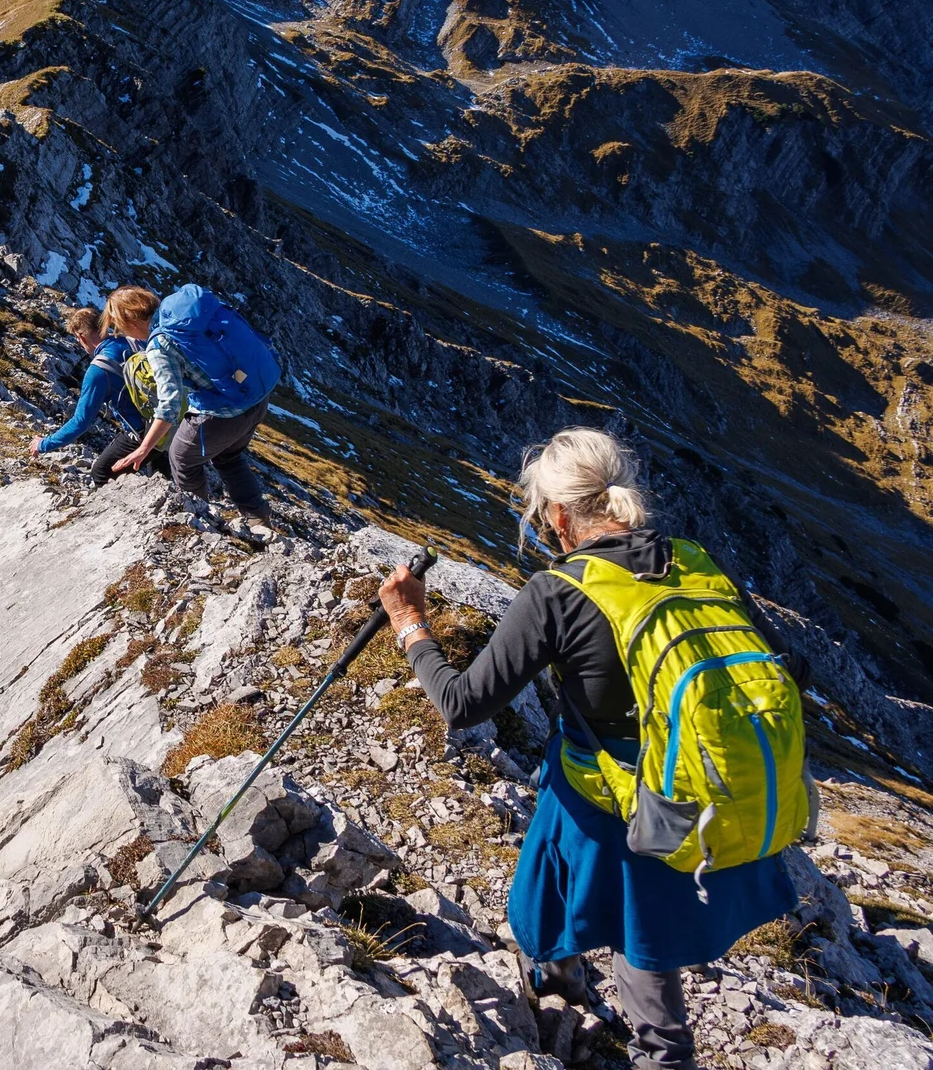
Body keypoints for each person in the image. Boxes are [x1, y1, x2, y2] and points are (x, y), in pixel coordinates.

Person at [377, 427, 809, 1070]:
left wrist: (410, 623)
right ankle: (578, 1006)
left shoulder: (559, 591)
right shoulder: (692, 558)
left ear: (556, 514)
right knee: (639, 938)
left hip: (614, 799)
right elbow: (790, 668)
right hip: (701, 789)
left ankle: (579, 1011)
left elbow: (464, 703)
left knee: (581, 920)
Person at [103, 284, 279, 523]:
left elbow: (169, 405)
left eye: (119, 327)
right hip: (256, 396)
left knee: (181, 459)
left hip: (224, 413)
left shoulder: (160, 344)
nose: (123, 333)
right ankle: (258, 518)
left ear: (131, 322)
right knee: (228, 456)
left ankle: (201, 521)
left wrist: (143, 449)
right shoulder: (189, 313)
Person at [31, 308, 169, 486]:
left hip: (142, 432)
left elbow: (80, 422)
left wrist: (43, 444)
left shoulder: (98, 370)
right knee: (160, 467)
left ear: (81, 337)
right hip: (168, 421)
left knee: (102, 472)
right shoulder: (133, 341)